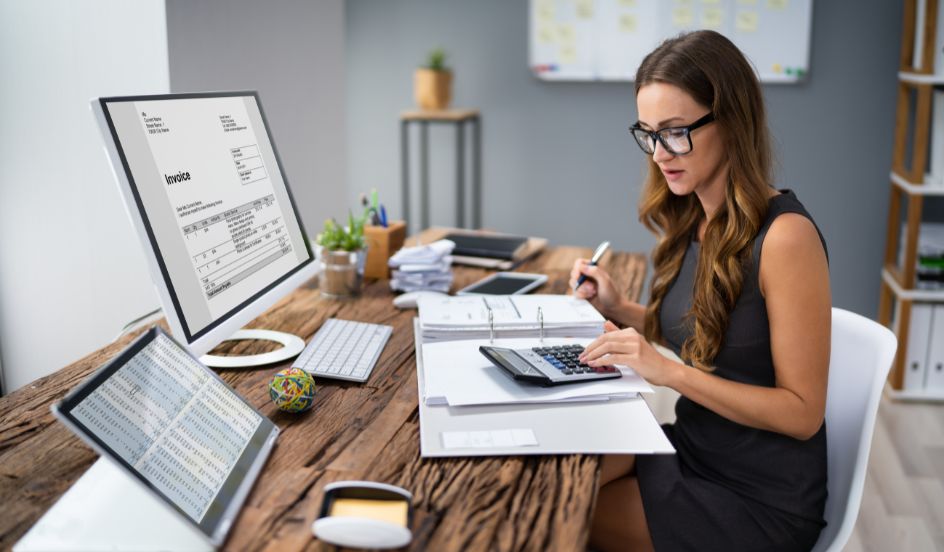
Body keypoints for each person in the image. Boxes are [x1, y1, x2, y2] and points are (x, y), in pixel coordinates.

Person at [571, 30, 831, 552]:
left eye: (675, 131)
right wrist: (619, 308)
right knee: (556, 475)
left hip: (757, 499)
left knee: (563, 513)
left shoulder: (785, 238)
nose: (660, 153)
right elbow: (714, 336)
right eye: (648, 134)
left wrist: (670, 372)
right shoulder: (698, 216)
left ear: (731, 120)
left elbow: (803, 414)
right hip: (693, 449)